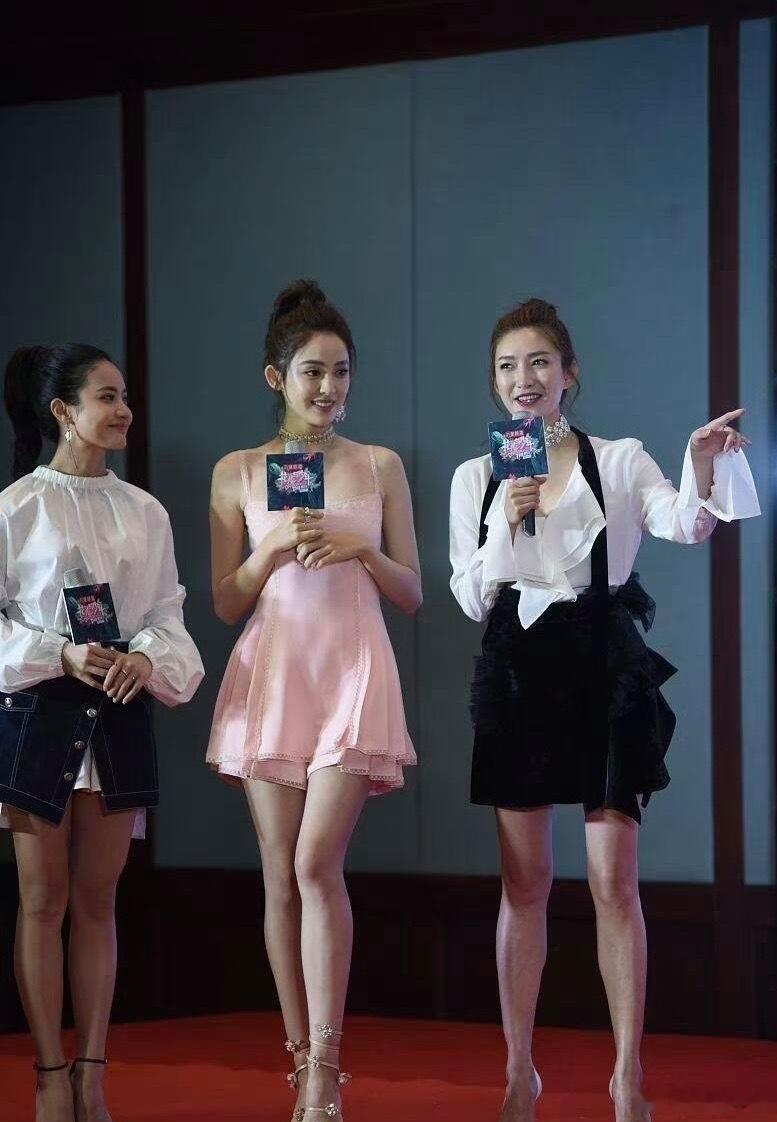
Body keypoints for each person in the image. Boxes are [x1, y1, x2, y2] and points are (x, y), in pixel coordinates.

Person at [448, 299, 760, 1122]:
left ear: (569, 373)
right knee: (524, 882)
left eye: (539, 362)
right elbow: (468, 596)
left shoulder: (618, 460)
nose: (523, 379)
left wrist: (700, 461)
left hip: (602, 666)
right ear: (494, 381)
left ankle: (626, 1077)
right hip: (517, 669)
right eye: (507, 366)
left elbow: (685, 523)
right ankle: (519, 1071)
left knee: (613, 880)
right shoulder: (477, 477)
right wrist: (504, 523)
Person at [206, 280, 420, 1121]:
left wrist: (358, 548)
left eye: (339, 372)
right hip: (273, 675)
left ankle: (328, 1068)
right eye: (311, 372)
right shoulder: (236, 471)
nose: (327, 388)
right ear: (276, 377)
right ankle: (300, 1063)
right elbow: (226, 603)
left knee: (314, 862)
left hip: (353, 672)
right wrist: (268, 555)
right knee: (280, 876)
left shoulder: (379, 465)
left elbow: (412, 592)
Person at [0, 344, 204, 1122]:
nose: (123, 410)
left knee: (97, 900)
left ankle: (91, 1073)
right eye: (106, 397)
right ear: (63, 411)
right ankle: (49, 1075)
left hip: (116, 714)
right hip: (37, 715)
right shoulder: (15, 507)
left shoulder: (144, 510)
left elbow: (165, 613)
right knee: (41, 899)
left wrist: (145, 659)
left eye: (124, 397)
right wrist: (60, 653)